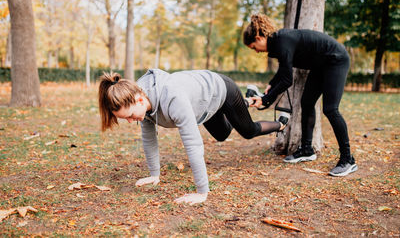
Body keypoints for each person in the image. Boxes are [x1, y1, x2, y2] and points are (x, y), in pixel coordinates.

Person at [98, 69, 287, 204]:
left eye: (130, 116)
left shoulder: (173, 99)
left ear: (140, 99)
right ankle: (245, 102)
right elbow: (149, 139)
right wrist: (154, 174)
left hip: (221, 90)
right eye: (126, 119)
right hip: (202, 105)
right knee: (222, 135)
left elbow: (193, 144)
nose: (131, 121)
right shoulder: (139, 99)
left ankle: (281, 123)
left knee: (248, 131)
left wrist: (202, 192)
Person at [243, 14, 357, 177]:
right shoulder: (277, 43)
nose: (256, 51)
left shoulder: (281, 41)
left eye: (254, 47)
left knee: (331, 109)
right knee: (307, 102)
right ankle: (307, 150)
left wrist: (265, 100)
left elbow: (287, 80)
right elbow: (284, 70)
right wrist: (271, 84)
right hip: (320, 65)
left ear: (258, 38)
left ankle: (348, 160)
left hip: (335, 60)